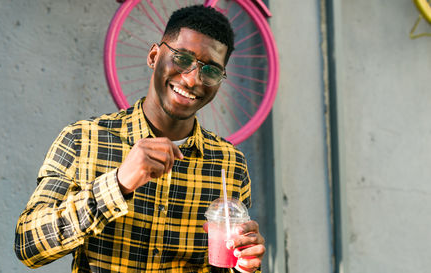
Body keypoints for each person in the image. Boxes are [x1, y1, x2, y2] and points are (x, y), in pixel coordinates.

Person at [15, 4, 265, 273]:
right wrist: (118, 184)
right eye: (182, 59)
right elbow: (28, 246)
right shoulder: (82, 140)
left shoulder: (229, 164)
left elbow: (229, 261)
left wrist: (244, 266)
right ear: (154, 56)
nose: (193, 80)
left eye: (211, 71)